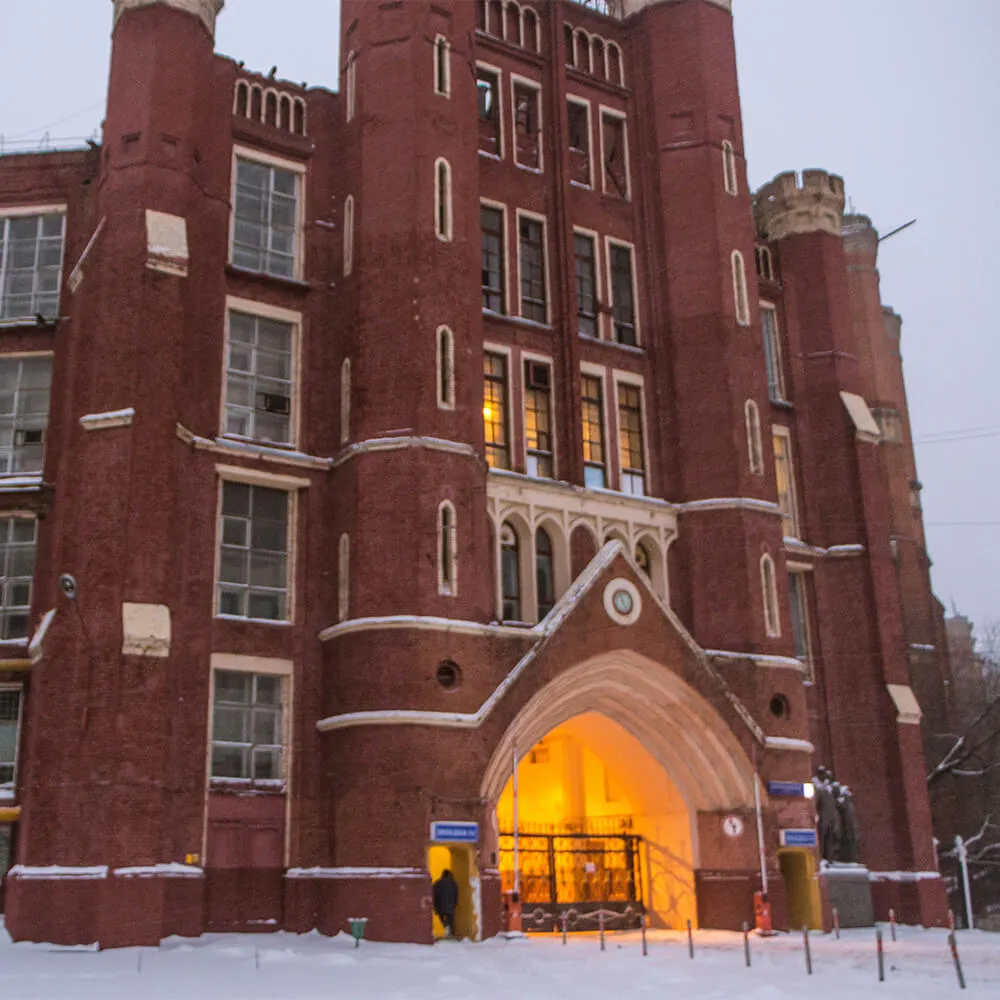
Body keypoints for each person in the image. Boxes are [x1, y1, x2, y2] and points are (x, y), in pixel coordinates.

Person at [432, 869, 460, 938]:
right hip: (450, 904)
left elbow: (433, 893)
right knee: (450, 918)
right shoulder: (453, 883)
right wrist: (455, 903)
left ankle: (445, 926)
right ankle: (450, 932)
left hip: (440, 904)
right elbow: (456, 893)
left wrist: (434, 905)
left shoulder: (438, 882)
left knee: (441, 916)